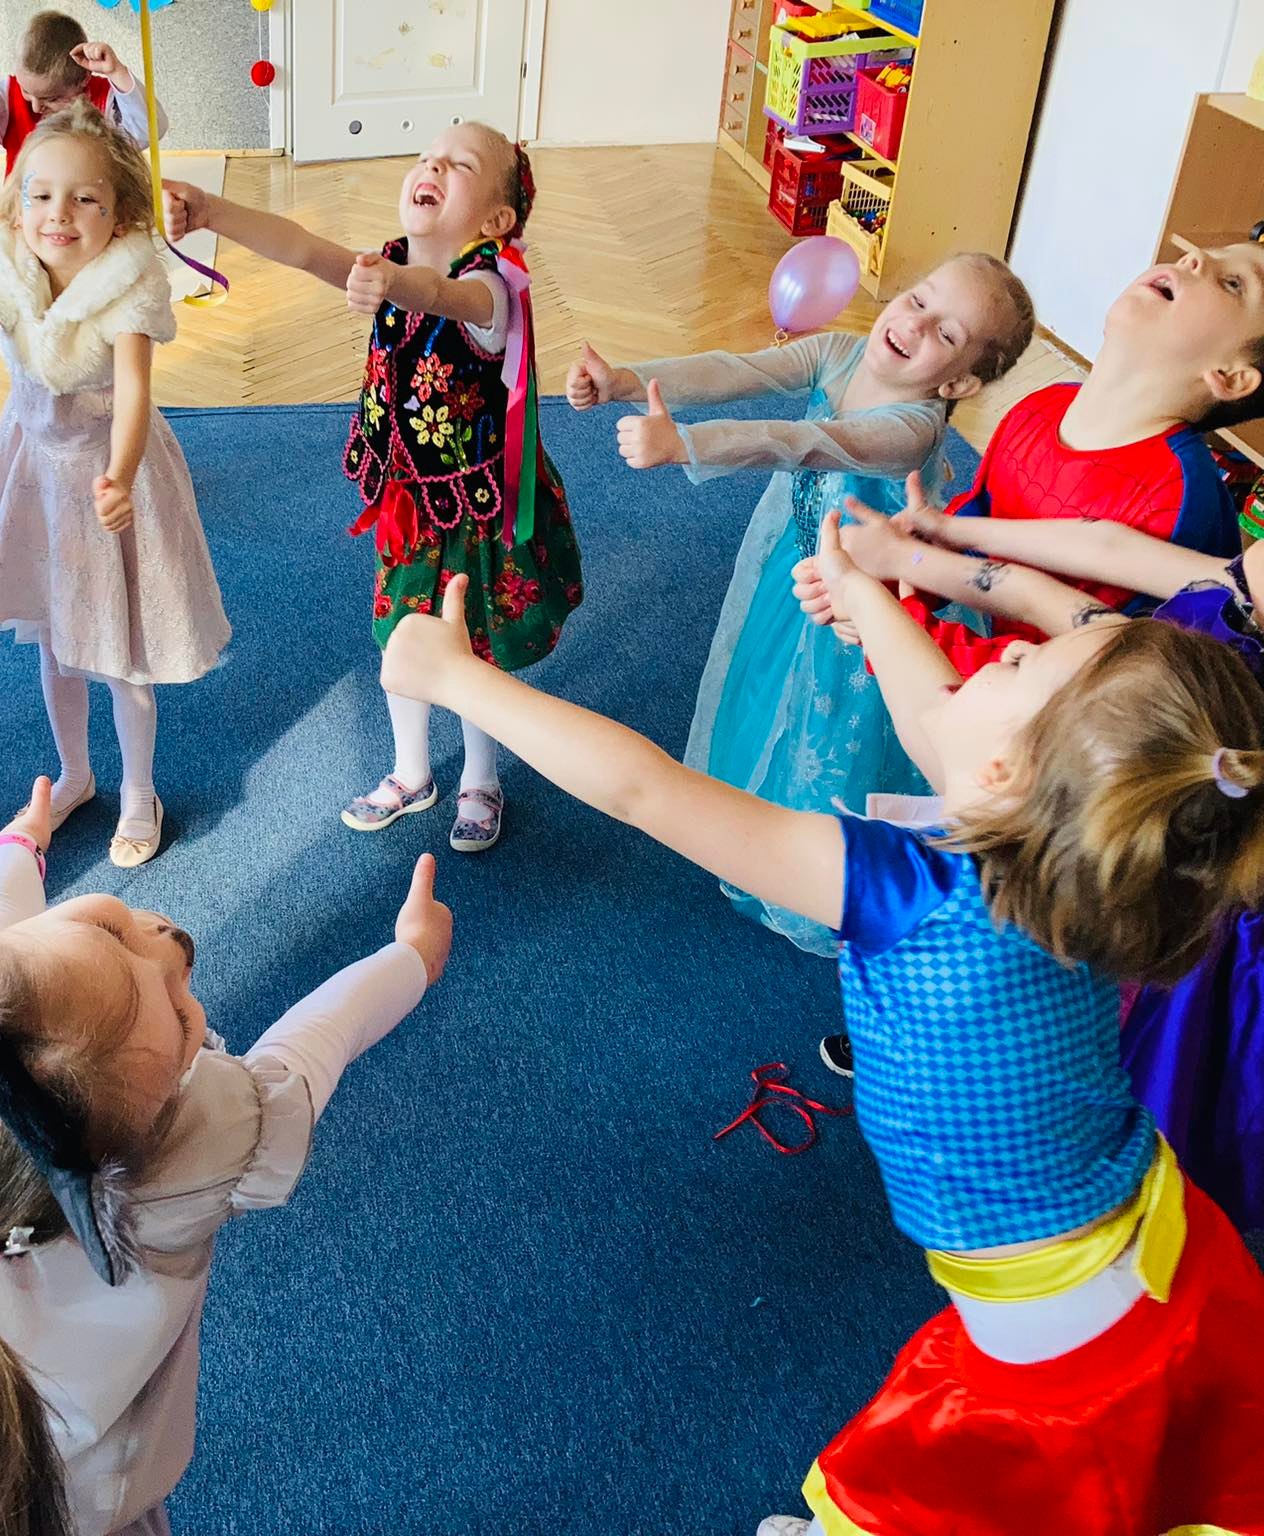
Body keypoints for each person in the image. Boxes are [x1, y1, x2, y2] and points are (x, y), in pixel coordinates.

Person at [381, 540, 1264, 1534]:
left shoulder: (913, 893)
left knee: (969, 1496)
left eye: (1019, 663)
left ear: (1006, 773)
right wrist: (860, 593)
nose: (1001, 655)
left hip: (1066, 1351)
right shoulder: (1089, 865)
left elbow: (645, 791)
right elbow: (942, 721)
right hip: (1154, 1246)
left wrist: (457, 680)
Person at [0, 775, 450, 1536]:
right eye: (182, 1015)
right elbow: (305, 1054)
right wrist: (410, 959)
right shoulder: (176, 1162)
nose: (174, 949)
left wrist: (18, 846)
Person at [807, 492, 1264, 1230]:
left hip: (1196, 953)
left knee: (1128, 1089)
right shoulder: (1174, 681)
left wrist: (889, 582)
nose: (1012, 652)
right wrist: (888, 578)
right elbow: (1073, 607)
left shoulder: (1135, 735)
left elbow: (952, 735)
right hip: (1134, 862)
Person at [564, 255, 1035, 950]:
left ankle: (819, 874)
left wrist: (684, 444)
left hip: (863, 601)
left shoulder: (914, 428)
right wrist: (626, 382)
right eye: (917, 299)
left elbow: (806, 442)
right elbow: (738, 370)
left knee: (834, 718)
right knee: (766, 678)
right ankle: (750, 821)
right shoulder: (842, 351)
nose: (913, 323)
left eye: (945, 333)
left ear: (959, 382)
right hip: (801, 556)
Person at [165, 123, 583, 853]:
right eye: (427, 157)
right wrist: (211, 211)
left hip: (476, 510)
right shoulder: (388, 262)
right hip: (410, 506)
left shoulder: (492, 288)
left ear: (496, 220)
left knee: (472, 652)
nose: (433, 167)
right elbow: (303, 248)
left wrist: (396, 283)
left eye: (459, 165)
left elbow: (442, 295)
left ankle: (481, 777)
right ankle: (411, 772)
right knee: (400, 640)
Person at [0, 105, 228, 869]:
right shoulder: (5, 266)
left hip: (109, 473)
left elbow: (134, 394)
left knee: (121, 655)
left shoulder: (128, 282)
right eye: (41, 195)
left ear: (119, 213)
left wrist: (121, 475)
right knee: (55, 637)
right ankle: (75, 773)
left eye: (83, 199)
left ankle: (140, 790)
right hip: (35, 470)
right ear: (17, 203)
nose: (58, 214)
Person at [901, 236, 1264, 675]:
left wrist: (903, 629)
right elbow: (980, 516)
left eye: (1232, 284)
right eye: (1211, 253)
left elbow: (1069, 678)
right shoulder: (1042, 405)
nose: (1196, 257)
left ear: (1230, 376)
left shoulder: (1177, 500)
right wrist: (908, 567)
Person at [0, 11, 164, 176]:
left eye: (52, 98)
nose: (35, 107)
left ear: (84, 79)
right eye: (27, 91)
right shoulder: (8, 98)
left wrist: (117, 72)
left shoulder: (106, 101)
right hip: (26, 225)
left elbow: (149, 131)